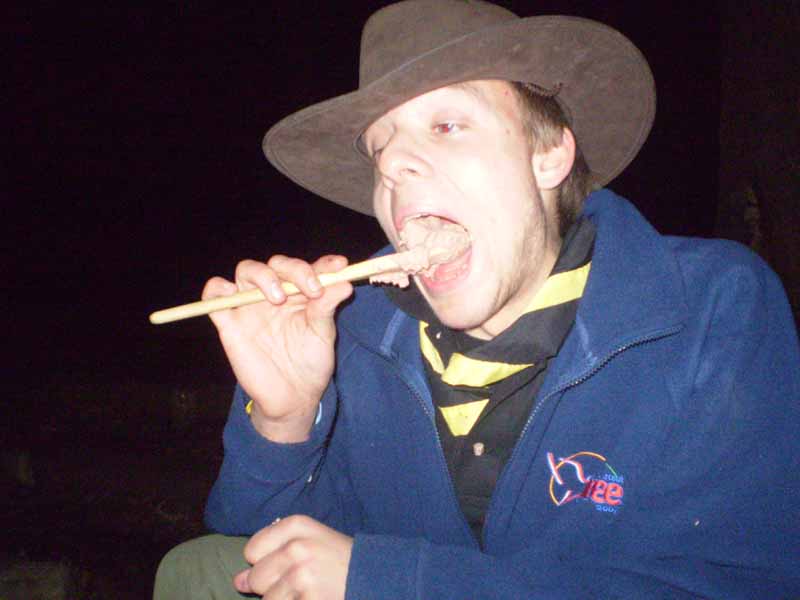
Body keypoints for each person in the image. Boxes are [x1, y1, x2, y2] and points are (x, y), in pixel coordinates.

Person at [154, 1, 800, 598]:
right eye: (380, 149)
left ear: (549, 154)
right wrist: (286, 420)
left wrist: (390, 581)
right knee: (199, 570)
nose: (393, 164)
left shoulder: (709, 305)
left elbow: (746, 583)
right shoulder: (357, 328)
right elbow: (256, 547)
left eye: (446, 124)